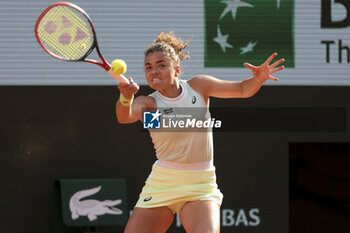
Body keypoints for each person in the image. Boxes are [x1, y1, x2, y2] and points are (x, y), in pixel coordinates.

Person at [116, 31, 285, 233]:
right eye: (149, 68)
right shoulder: (148, 103)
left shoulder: (199, 87)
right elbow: (124, 116)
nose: (154, 71)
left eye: (161, 65)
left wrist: (256, 80)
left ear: (177, 70)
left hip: (200, 185)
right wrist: (125, 98)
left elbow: (241, 89)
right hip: (163, 183)